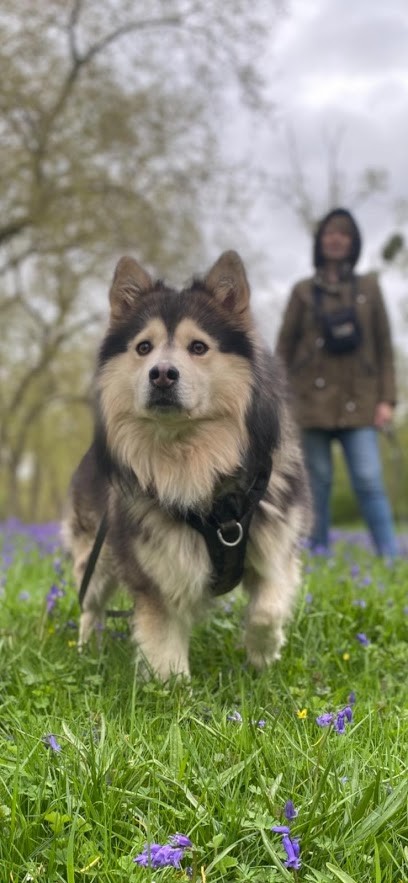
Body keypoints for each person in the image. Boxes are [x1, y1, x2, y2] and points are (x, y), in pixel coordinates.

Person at [276, 207, 398, 557]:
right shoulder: (302, 291)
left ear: (354, 242)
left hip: (361, 400)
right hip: (308, 403)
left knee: (369, 479)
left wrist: (386, 400)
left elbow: (384, 347)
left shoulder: (370, 288)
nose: (336, 238)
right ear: (320, 241)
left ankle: (390, 553)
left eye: (344, 233)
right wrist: (278, 398)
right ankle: (317, 551)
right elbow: (284, 348)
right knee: (317, 483)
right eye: (330, 232)